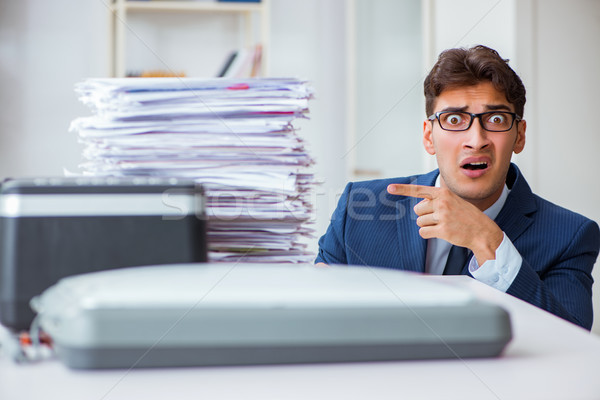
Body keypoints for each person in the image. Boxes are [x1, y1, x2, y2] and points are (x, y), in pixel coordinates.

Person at [315, 45, 600, 330]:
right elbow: (318, 321)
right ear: (429, 137)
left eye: (496, 119)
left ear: (520, 136)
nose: (476, 140)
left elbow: (570, 342)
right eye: (454, 120)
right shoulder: (359, 209)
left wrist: (489, 244)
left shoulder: (571, 236)